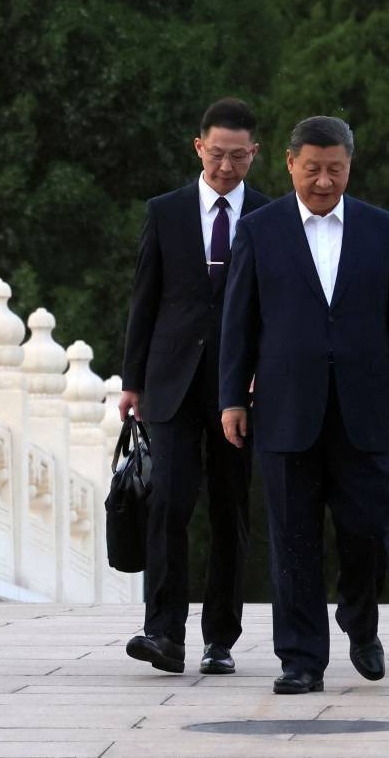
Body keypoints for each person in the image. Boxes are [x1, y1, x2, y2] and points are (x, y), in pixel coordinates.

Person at [219, 115, 389, 694]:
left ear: (349, 167)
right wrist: (232, 397)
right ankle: (301, 658)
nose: (323, 181)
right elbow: (239, 321)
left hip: (363, 410)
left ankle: (360, 621)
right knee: (292, 538)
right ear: (289, 164)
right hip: (286, 410)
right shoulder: (260, 230)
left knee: (370, 532)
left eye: (335, 169)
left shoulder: (381, 229)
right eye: (312, 169)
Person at [119, 98, 269, 675]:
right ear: (198, 147)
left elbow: (275, 307)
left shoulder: (268, 215)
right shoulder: (166, 211)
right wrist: (133, 380)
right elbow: (145, 298)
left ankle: (221, 639)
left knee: (230, 510)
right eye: (217, 154)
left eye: (238, 157)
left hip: (241, 387)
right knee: (168, 504)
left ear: (254, 154)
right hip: (171, 380)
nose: (226, 168)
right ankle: (163, 632)